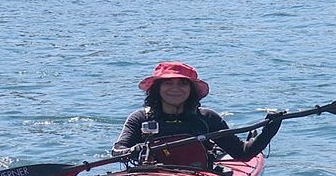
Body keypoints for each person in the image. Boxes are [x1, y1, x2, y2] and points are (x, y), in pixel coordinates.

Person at [112, 62, 283, 165]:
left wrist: (269, 131)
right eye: (168, 83)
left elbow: (243, 153)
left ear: (191, 90)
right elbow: (118, 150)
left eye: (182, 84)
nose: (175, 89)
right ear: (157, 89)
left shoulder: (207, 119)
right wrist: (135, 149)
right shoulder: (140, 118)